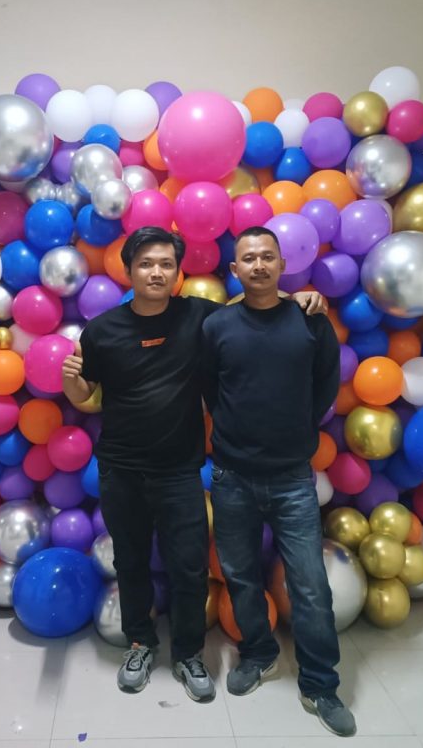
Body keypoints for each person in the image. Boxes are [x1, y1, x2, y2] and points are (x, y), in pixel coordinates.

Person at [61, 226, 326, 703]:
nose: (156, 272)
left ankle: (188, 653)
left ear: (178, 272)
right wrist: (71, 381)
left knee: (188, 568)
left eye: (166, 264)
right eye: (146, 264)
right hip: (121, 469)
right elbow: (85, 394)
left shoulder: (200, 316)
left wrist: (298, 297)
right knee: (131, 562)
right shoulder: (101, 330)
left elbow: (256, 301)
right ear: (129, 269)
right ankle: (140, 644)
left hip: (180, 470)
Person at [201, 226, 356, 737]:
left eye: (268, 256)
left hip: (292, 478)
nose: (259, 265)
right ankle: (259, 654)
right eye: (249, 258)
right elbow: (211, 391)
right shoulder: (217, 326)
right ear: (235, 269)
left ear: (282, 264)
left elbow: (325, 385)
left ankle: (320, 684)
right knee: (241, 576)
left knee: (310, 585)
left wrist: (294, 428)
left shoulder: (310, 320)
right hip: (232, 475)